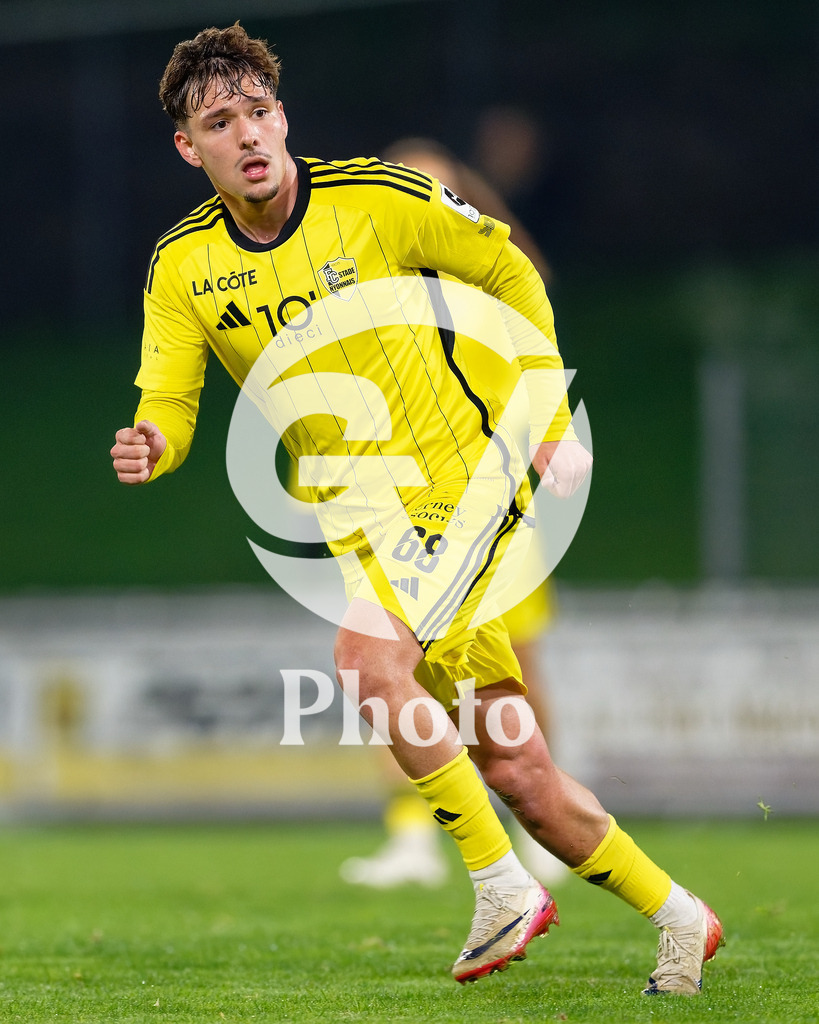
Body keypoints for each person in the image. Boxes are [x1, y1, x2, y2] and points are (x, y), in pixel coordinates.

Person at [110, 24, 724, 994]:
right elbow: (170, 399)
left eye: (259, 112)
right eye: (220, 122)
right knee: (521, 773)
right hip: (364, 526)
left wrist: (551, 416)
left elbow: (512, 270)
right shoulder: (183, 268)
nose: (249, 135)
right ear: (190, 148)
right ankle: (683, 917)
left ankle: (500, 888)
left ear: (284, 115)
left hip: (465, 476)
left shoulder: (377, 199)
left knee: (363, 662)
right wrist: (155, 440)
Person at [338, 137, 566, 891]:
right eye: (409, 189)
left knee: (515, 677)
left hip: (491, 502)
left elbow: (531, 318)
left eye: (438, 189)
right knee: (388, 668)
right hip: (399, 506)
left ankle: (543, 825)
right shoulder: (371, 288)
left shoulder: (493, 279)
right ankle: (410, 836)